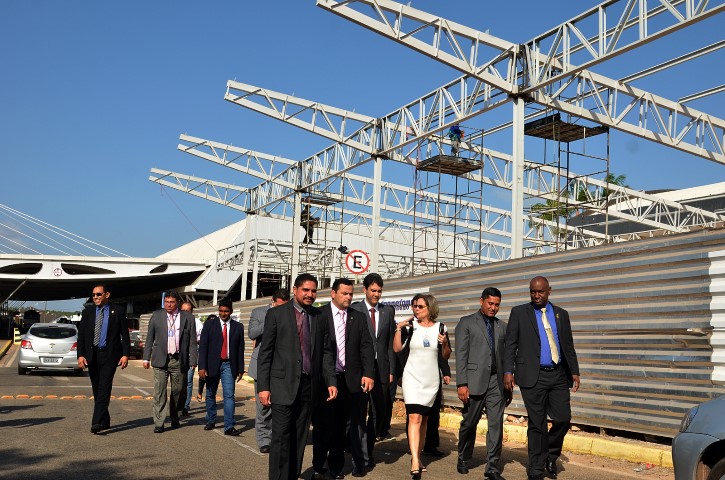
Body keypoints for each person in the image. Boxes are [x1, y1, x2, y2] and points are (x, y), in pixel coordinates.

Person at [257, 273, 338, 480]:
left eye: (313, 291)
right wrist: (263, 388)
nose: (310, 294)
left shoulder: (320, 317)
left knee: (300, 437)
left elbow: (327, 353)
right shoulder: (277, 314)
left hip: (309, 388)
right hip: (282, 386)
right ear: (295, 290)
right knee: (281, 437)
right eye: (306, 290)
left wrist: (330, 381)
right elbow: (266, 353)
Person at [503, 277, 581, 480]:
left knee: (563, 419)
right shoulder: (519, 313)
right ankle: (536, 468)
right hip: (532, 376)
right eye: (532, 292)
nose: (536, 296)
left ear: (549, 291)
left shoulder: (561, 314)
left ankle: (550, 455)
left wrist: (575, 371)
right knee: (537, 424)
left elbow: (568, 345)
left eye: (540, 292)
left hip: (557, 375)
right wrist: (507, 372)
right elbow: (510, 344)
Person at [313, 278, 375, 479]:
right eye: (344, 293)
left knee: (343, 424)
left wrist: (368, 373)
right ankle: (319, 462)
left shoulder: (357, 317)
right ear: (333, 293)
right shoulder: (319, 315)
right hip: (325, 379)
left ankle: (336, 466)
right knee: (324, 424)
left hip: (350, 378)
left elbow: (366, 346)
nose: (348, 297)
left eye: (351, 294)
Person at [393, 293, 451, 480]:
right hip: (412, 377)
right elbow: (396, 349)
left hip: (431, 379)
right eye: (414, 306)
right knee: (414, 418)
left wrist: (444, 344)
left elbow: (446, 354)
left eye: (420, 306)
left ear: (430, 308)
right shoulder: (410, 327)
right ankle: (415, 460)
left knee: (424, 420)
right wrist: (398, 329)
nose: (416, 309)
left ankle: (418, 455)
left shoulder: (441, 327)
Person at [456, 287, 510, 480]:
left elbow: (507, 355)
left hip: (496, 383)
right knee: (469, 423)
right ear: (481, 301)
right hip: (473, 382)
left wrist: (507, 380)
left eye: (497, 305)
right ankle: (463, 456)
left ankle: (492, 467)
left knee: (496, 424)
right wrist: (462, 383)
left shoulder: (503, 327)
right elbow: (461, 355)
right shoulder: (467, 323)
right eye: (490, 303)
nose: (493, 308)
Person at [350, 273, 396, 462]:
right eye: (373, 290)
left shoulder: (387, 311)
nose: (376, 294)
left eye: (379, 291)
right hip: (361, 371)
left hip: (382, 371)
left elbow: (389, 343)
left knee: (379, 412)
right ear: (365, 290)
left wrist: (392, 369)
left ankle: (367, 448)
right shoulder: (355, 310)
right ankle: (360, 454)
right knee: (359, 412)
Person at [76, 284, 130, 434]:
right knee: (97, 389)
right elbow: (81, 336)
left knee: (104, 389)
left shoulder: (118, 311)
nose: (95, 297)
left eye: (99, 294)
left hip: (110, 356)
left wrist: (125, 354)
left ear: (107, 295)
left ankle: (96, 422)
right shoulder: (88, 312)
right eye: (93, 295)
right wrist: (80, 355)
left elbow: (124, 335)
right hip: (92, 356)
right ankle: (105, 420)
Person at [142, 290, 198, 433]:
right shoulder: (156, 316)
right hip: (160, 359)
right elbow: (150, 338)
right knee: (159, 391)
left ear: (177, 303)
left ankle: (174, 416)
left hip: (179, 360)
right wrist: (146, 357)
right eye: (166, 302)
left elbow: (192, 341)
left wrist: (193, 359)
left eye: (172, 302)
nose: (169, 305)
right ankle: (159, 422)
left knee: (178, 390)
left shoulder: (187, 318)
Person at [248, 289, 290, 453]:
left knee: (280, 406)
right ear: (273, 301)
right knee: (263, 406)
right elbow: (252, 333)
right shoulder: (258, 313)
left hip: (282, 365)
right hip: (262, 366)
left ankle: (277, 438)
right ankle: (264, 440)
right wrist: (272, 318)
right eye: (279, 306)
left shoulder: (291, 313)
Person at [198, 298, 245, 436]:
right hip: (212, 364)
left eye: (226, 311)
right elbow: (203, 347)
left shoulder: (238, 327)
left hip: (229, 365)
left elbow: (240, 349)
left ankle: (229, 425)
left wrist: (240, 369)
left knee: (229, 395)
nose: (223, 313)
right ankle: (211, 419)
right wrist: (202, 366)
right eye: (221, 311)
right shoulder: (209, 325)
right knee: (210, 394)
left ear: (231, 311)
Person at [181, 301, 203, 416]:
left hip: (190, 356)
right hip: (178, 356)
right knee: (179, 382)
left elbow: (200, 338)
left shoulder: (197, 322)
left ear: (191, 312)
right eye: (183, 310)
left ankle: (186, 405)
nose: (184, 313)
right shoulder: (176, 320)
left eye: (187, 311)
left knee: (188, 381)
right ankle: (178, 404)